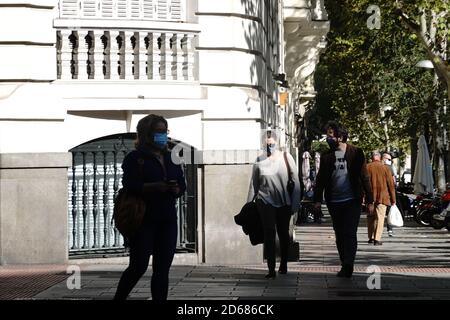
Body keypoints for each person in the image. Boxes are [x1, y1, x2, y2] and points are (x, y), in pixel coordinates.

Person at [114, 114, 186, 300]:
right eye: (158, 132)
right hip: (144, 219)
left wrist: (176, 189)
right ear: (147, 134)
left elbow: (182, 184)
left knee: (162, 270)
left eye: (165, 131)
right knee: (138, 266)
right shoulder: (135, 158)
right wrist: (154, 187)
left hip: (168, 219)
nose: (163, 136)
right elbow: (129, 184)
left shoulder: (172, 157)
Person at [313, 121, 374, 278]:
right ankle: (344, 261)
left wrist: (370, 200)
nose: (328, 138)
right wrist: (317, 200)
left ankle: (349, 263)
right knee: (339, 234)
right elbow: (320, 179)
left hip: (352, 199)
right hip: (334, 201)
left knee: (350, 232)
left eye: (330, 135)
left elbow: (365, 177)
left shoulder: (356, 153)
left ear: (340, 137)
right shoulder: (327, 156)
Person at [247, 129, 301, 278]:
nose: (269, 145)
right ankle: (271, 269)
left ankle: (283, 263)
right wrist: (249, 205)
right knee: (269, 234)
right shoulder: (259, 160)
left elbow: (295, 181)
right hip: (265, 202)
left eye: (272, 143)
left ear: (277, 143)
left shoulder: (286, 157)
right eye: (267, 142)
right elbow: (254, 184)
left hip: (283, 202)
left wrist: (295, 204)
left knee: (283, 234)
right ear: (263, 143)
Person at [367, 151, 396, 245]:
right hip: (383, 197)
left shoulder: (366, 167)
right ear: (379, 158)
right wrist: (393, 200)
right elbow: (391, 185)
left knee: (370, 217)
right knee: (380, 218)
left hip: (370, 197)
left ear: (372, 158)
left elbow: (361, 183)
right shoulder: (385, 168)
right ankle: (377, 238)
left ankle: (370, 237)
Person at [382, 152, 397, 237]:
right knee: (388, 213)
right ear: (383, 158)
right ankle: (390, 229)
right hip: (387, 194)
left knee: (383, 213)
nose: (390, 161)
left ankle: (376, 232)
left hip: (381, 194)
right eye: (388, 159)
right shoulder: (389, 168)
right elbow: (393, 183)